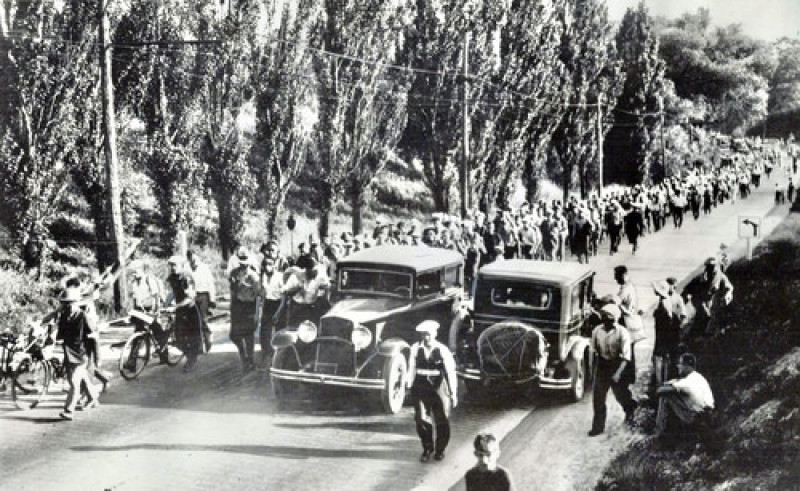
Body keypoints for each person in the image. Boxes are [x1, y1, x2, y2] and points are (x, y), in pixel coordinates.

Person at [407, 320, 458, 462]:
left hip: (439, 386)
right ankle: (427, 448)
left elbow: (451, 372)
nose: (426, 338)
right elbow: (411, 368)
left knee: (442, 419)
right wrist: (409, 385)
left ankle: (440, 449)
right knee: (421, 418)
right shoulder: (415, 348)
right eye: (423, 335)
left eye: (428, 334)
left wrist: (453, 393)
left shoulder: (442, 350)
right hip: (421, 386)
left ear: (435, 334)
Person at [588, 304, 637, 436]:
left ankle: (631, 411)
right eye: (603, 316)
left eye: (609, 316)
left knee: (621, 395)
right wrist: (592, 371)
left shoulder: (622, 332)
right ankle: (598, 427)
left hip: (618, 364)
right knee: (598, 398)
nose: (605, 319)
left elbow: (626, 357)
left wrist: (618, 374)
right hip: (603, 365)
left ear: (615, 318)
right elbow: (593, 351)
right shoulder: (597, 331)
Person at [56, 286, 100, 420]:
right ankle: (93, 397)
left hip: (81, 354)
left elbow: (94, 335)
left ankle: (68, 410)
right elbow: (60, 335)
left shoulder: (83, 316)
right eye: (64, 303)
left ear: (75, 303)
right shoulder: (63, 316)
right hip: (69, 354)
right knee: (79, 378)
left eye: (69, 303)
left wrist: (97, 356)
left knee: (74, 382)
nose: (66, 306)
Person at [655, 353, 714, 436]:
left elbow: (659, 390)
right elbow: (679, 382)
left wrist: (663, 384)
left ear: (686, 365)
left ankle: (660, 431)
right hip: (707, 414)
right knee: (674, 393)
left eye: (680, 364)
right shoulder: (697, 376)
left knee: (666, 395)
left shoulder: (686, 383)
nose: (678, 366)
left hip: (696, 417)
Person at [166, 255, 204, 373]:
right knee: (179, 339)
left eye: (175, 265)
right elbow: (173, 292)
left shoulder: (186, 277)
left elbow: (190, 298)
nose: (172, 268)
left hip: (191, 311)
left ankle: (191, 361)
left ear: (181, 266)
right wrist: (166, 303)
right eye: (170, 265)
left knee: (193, 338)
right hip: (179, 310)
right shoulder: (172, 277)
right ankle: (190, 357)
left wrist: (175, 307)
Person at [682, 257, 734, 338]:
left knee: (713, 318)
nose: (712, 269)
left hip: (712, 301)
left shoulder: (720, 277)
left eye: (714, 266)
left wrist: (727, 295)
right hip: (699, 300)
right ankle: (694, 336)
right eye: (709, 266)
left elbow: (729, 287)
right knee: (704, 316)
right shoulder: (700, 278)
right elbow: (687, 290)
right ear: (706, 267)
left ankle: (707, 336)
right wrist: (684, 302)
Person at [228, 248, 261, 373]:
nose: (243, 265)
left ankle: (250, 360)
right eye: (241, 262)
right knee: (234, 335)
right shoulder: (234, 273)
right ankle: (243, 356)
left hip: (249, 307)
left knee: (249, 335)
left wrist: (257, 312)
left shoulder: (253, 275)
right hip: (237, 306)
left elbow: (258, 294)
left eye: (245, 262)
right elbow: (232, 290)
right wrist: (238, 283)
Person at [651, 278, 686, 387]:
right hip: (663, 333)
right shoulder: (663, 300)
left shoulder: (673, 300)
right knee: (662, 358)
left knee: (665, 358)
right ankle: (661, 382)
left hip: (668, 333)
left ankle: (663, 382)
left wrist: (678, 327)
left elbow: (681, 315)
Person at [258, 255, 286, 367]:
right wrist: (262, 309)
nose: (267, 268)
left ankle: (281, 358)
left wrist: (278, 312)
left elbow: (284, 297)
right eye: (265, 266)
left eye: (269, 265)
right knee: (264, 332)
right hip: (268, 304)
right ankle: (267, 355)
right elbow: (264, 295)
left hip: (278, 304)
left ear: (274, 265)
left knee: (279, 332)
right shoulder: (264, 276)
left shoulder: (280, 277)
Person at [187, 250, 216, 353]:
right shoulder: (188, 269)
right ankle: (199, 345)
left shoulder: (204, 268)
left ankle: (208, 339)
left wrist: (212, 299)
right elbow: (188, 283)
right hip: (193, 296)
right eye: (191, 259)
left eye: (195, 259)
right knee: (194, 321)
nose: (194, 261)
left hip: (204, 295)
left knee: (202, 320)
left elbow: (210, 283)